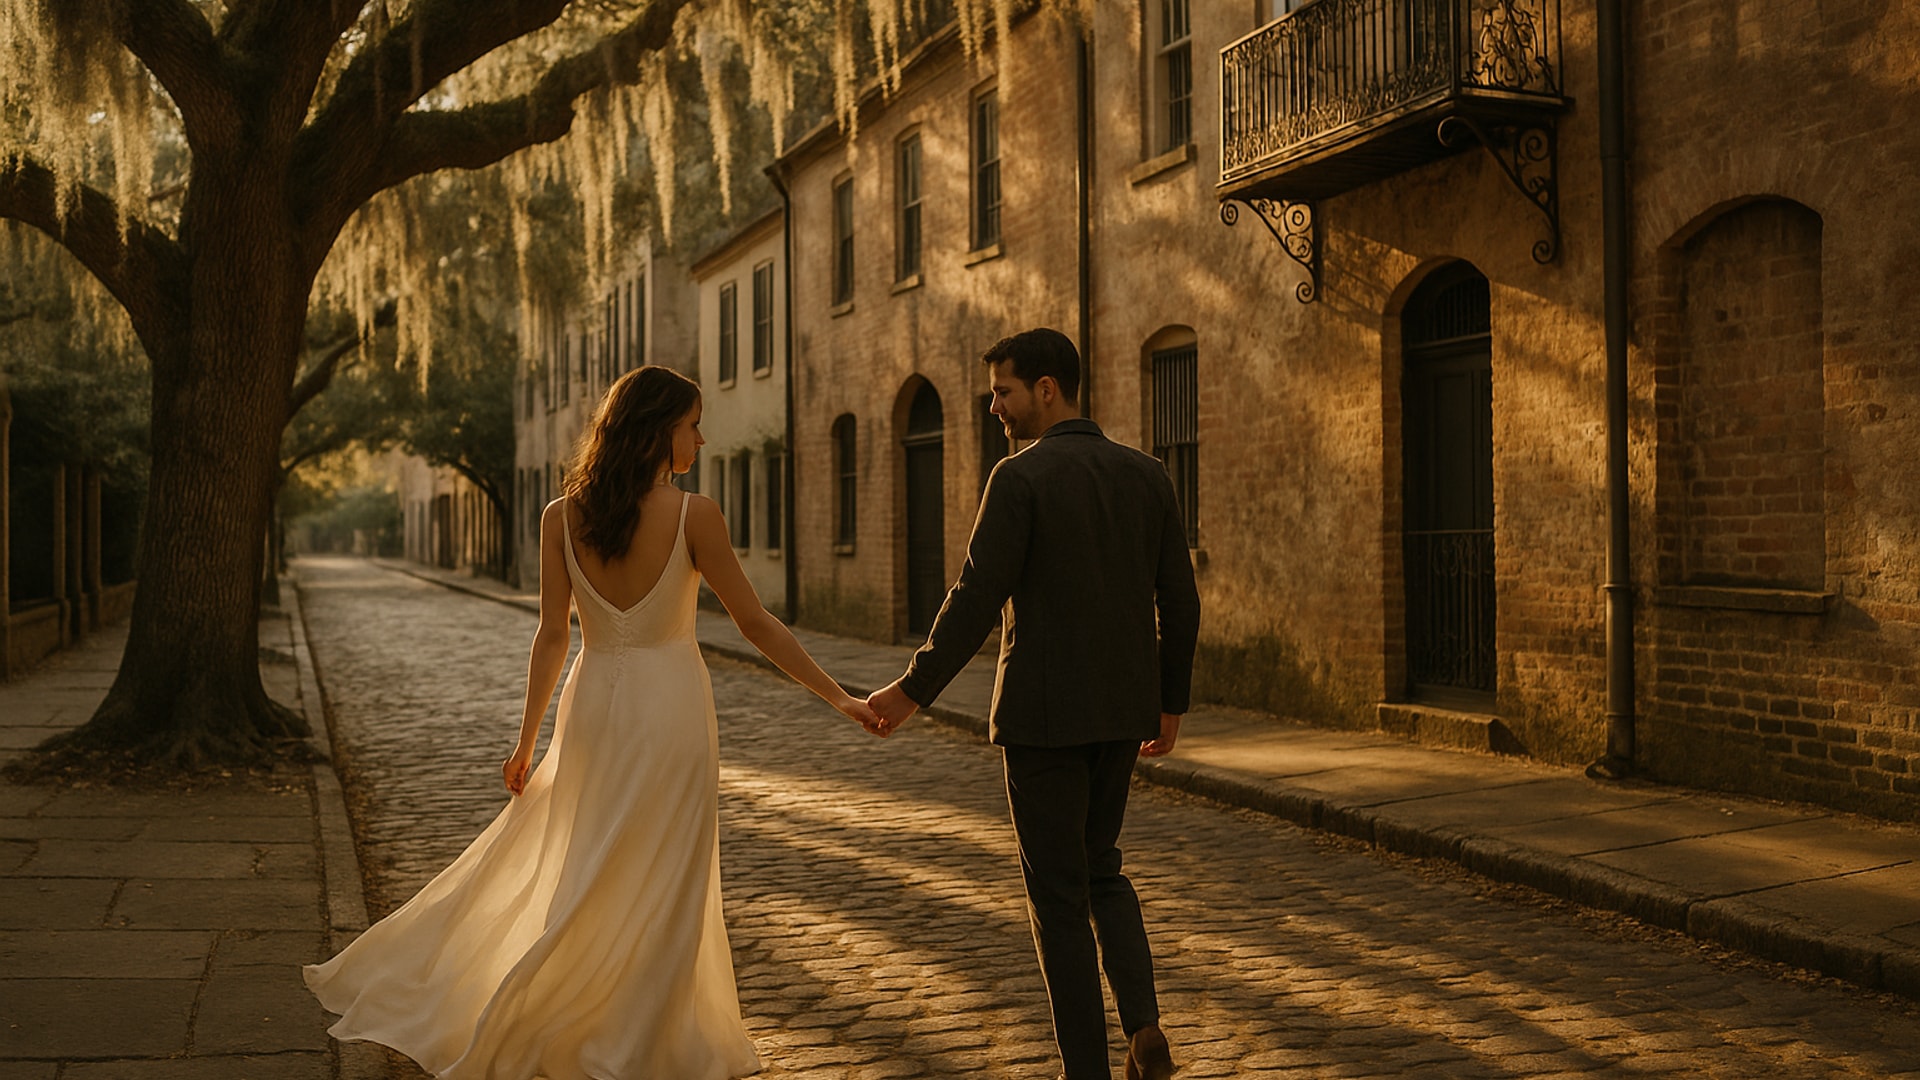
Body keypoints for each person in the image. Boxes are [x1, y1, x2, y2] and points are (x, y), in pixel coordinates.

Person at [304, 365, 882, 1079]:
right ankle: (646, 1036)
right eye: (691, 425)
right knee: (668, 870)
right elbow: (756, 623)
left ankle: (589, 1016)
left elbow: (553, 634)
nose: (700, 438)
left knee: (591, 866)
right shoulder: (695, 515)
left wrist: (527, 742)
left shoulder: (560, 516)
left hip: (594, 705)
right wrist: (840, 697)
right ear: (657, 431)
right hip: (670, 707)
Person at [867, 328, 1200, 1080]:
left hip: (1043, 720)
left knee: (1057, 897)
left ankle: (1085, 1070)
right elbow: (1180, 600)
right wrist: (1169, 700)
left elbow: (975, 598)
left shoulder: (1019, 479)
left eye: (1003, 391)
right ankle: (1143, 1025)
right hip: (1122, 711)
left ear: (1047, 388)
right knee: (1103, 868)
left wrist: (912, 689)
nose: (994, 406)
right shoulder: (1148, 476)